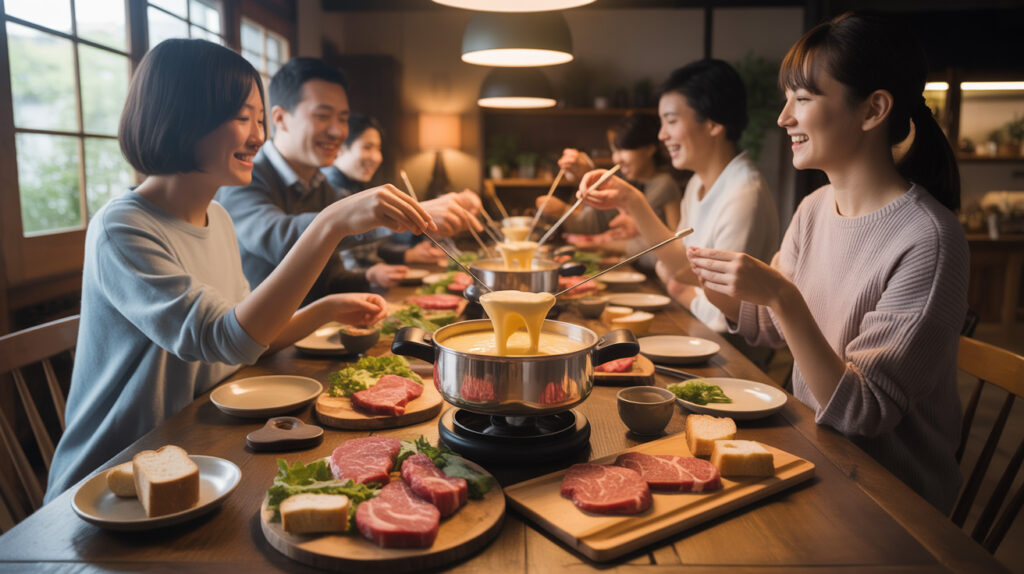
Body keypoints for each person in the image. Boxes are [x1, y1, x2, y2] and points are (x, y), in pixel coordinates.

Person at [45, 40, 436, 501]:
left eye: (258, 118)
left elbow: (247, 338)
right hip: (115, 477)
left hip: (198, 447)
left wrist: (326, 309)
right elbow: (227, 338)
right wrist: (331, 223)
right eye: (241, 118)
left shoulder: (219, 218)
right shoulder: (123, 227)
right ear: (183, 118)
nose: (258, 136)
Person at [686, 12, 967, 512]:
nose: (784, 118)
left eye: (804, 99)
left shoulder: (929, 238)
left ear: (873, 109)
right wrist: (707, 273)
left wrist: (778, 292)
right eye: (786, 99)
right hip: (816, 458)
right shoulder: (816, 208)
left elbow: (862, 411)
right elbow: (768, 327)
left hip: (889, 505)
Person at [216, 58, 480, 302]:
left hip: (311, 334)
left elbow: (329, 278)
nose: (337, 131)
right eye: (322, 116)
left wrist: (368, 280)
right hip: (263, 345)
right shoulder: (245, 176)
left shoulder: (320, 184)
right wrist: (400, 214)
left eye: (343, 119)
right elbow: (279, 240)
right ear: (280, 118)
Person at [576, 60, 780, 339]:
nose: (662, 135)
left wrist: (683, 290)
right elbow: (677, 266)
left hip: (730, 354)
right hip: (695, 330)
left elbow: (725, 312)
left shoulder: (744, 195)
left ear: (713, 123)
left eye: (671, 121)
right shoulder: (698, 183)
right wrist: (631, 201)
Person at [322, 112, 447, 268]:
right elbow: (348, 263)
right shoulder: (330, 190)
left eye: (378, 149)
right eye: (367, 147)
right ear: (340, 148)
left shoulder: (355, 185)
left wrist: (409, 252)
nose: (376, 157)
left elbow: (370, 245)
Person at [536, 112, 682, 238]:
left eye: (623, 150)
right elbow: (599, 221)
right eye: (614, 151)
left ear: (650, 149)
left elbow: (676, 237)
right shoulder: (633, 181)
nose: (616, 159)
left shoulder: (663, 184)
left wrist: (595, 243)